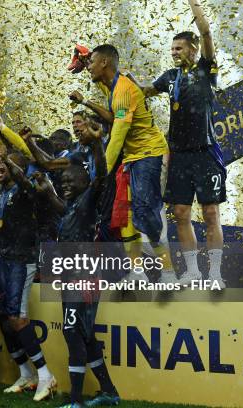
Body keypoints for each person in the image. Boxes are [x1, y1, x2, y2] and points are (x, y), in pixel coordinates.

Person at [141, 0, 226, 287]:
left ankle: (214, 273)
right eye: (172, 48)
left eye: (178, 48)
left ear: (192, 49)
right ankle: (192, 272)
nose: (173, 52)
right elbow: (145, 91)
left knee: (211, 211)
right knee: (180, 213)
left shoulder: (206, 67)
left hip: (205, 153)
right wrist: (117, 79)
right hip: (178, 155)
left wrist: (193, 4)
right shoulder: (170, 77)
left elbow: (205, 33)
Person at [44, 123, 121, 408]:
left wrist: (99, 144)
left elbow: (101, 174)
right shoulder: (71, 206)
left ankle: (75, 400)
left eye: (68, 181)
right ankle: (110, 391)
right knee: (84, 334)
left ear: (84, 182)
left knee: (72, 331)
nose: (64, 185)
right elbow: (53, 199)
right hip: (70, 275)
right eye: (61, 182)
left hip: (85, 274)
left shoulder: (89, 198)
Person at [86, 44, 177, 283]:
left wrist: (102, 170)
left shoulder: (123, 90)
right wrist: (84, 59)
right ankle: (138, 272)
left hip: (149, 154)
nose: (88, 68)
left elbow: (117, 133)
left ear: (104, 62)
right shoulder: (112, 86)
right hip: (132, 157)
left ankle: (168, 272)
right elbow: (112, 116)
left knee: (146, 215)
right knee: (126, 218)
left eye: (92, 62)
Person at [0, 111, 58, 401]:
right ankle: (26, 373)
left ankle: (46, 375)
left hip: (22, 258)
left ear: (20, 169)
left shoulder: (29, 189)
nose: (0, 168)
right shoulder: (1, 188)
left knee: (18, 318)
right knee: (5, 317)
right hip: (4, 257)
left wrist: (7, 156)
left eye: (7, 164)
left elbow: (16, 172)